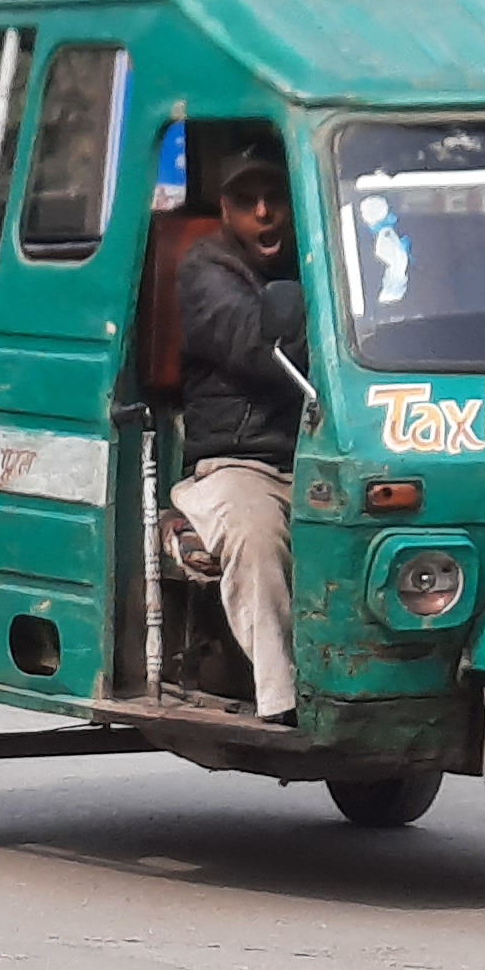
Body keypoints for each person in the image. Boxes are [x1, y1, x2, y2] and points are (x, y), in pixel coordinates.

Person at [174, 151, 307, 724]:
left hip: (321, 458)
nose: (264, 213)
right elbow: (261, 350)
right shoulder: (207, 268)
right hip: (237, 463)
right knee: (256, 538)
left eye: (274, 198)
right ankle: (283, 700)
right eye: (248, 202)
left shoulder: (321, 254)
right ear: (225, 210)